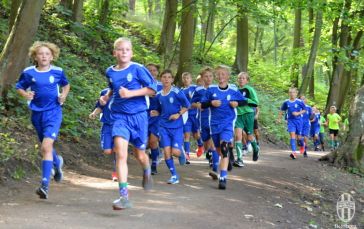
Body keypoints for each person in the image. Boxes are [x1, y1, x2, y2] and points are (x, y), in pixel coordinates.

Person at [100, 37, 157, 210]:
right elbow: (113, 87)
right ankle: (124, 197)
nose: (124, 52)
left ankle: (146, 169)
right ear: (114, 52)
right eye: (120, 49)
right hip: (119, 117)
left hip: (139, 116)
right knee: (120, 154)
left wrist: (131, 93)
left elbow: (153, 90)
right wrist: (107, 96)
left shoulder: (138, 69)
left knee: (140, 154)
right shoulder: (110, 71)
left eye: (127, 50)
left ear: (131, 53)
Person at [15, 41, 70, 199]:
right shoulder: (28, 72)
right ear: (35, 56)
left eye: (47, 54)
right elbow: (19, 86)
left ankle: (44, 185)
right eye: (41, 54)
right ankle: (57, 164)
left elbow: (66, 85)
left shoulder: (58, 72)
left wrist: (63, 96)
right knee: (46, 148)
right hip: (36, 114)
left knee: (46, 147)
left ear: (52, 56)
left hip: (53, 113)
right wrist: (26, 95)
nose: (44, 56)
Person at [201, 65, 246, 190]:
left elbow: (244, 101)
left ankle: (223, 178)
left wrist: (237, 103)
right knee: (220, 151)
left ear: (227, 76)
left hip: (227, 123)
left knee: (224, 148)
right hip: (214, 125)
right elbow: (203, 104)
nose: (220, 76)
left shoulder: (232, 91)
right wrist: (211, 103)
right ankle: (228, 158)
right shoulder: (211, 90)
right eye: (218, 74)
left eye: (223, 74)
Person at [152, 69, 190, 184]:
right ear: (161, 79)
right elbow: (159, 109)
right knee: (167, 152)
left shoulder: (176, 92)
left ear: (172, 79)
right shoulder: (158, 95)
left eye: (169, 77)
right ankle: (174, 175)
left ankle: (181, 152)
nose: (166, 79)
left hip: (176, 126)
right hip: (163, 126)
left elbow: (187, 105)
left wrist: (178, 114)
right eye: (164, 77)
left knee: (176, 152)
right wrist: (156, 113)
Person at [191, 67, 220, 179]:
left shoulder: (217, 89)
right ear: (202, 78)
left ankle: (215, 170)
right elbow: (192, 104)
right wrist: (198, 105)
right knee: (206, 143)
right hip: (202, 119)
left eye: (210, 76)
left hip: (214, 120)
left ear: (213, 77)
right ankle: (211, 155)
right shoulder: (198, 90)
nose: (208, 78)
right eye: (206, 76)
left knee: (213, 144)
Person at [89, 88, 117, 181]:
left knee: (117, 149)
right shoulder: (104, 92)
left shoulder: (125, 91)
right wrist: (94, 113)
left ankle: (116, 172)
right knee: (108, 151)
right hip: (107, 124)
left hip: (120, 125)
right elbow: (100, 107)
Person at [234, 72, 259, 167]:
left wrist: (246, 100)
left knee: (249, 136)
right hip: (238, 115)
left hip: (248, 114)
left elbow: (256, 102)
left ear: (247, 80)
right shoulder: (235, 90)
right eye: (239, 78)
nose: (241, 80)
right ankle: (239, 159)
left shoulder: (249, 89)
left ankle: (256, 149)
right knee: (238, 136)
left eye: (243, 78)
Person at [277, 88, 306, 159]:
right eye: (290, 92)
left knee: (299, 137)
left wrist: (298, 113)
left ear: (296, 93)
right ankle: (294, 152)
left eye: (293, 92)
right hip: (290, 121)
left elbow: (304, 110)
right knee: (292, 135)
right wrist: (279, 119)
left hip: (299, 121)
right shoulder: (286, 102)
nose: (292, 94)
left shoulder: (300, 101)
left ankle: (302, 145)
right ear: (288, 93)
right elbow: (281, 110)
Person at [181, 72, 204, 164]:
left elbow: (202, 95)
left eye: (188, 78)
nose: (186, 80)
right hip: (186, 116)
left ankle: (200, 145)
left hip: (196, 115)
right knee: (186, 136)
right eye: (184, 78)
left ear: (191, 79)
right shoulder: (181, 90)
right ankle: (186, 155)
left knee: (197, 135)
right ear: (182, 80)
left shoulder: (195, 88)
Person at [146, 63, 163, 175]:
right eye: (149, 70)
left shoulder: (162, 86)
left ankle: (153, 164)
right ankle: (155, 153)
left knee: (153, 141)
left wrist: (159, 111)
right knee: (145, 143)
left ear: (157, 72)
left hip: (157, 118)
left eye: (154, 70)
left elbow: (168, 103)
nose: (152, 72)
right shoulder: (140, 85)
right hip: (143, 117)